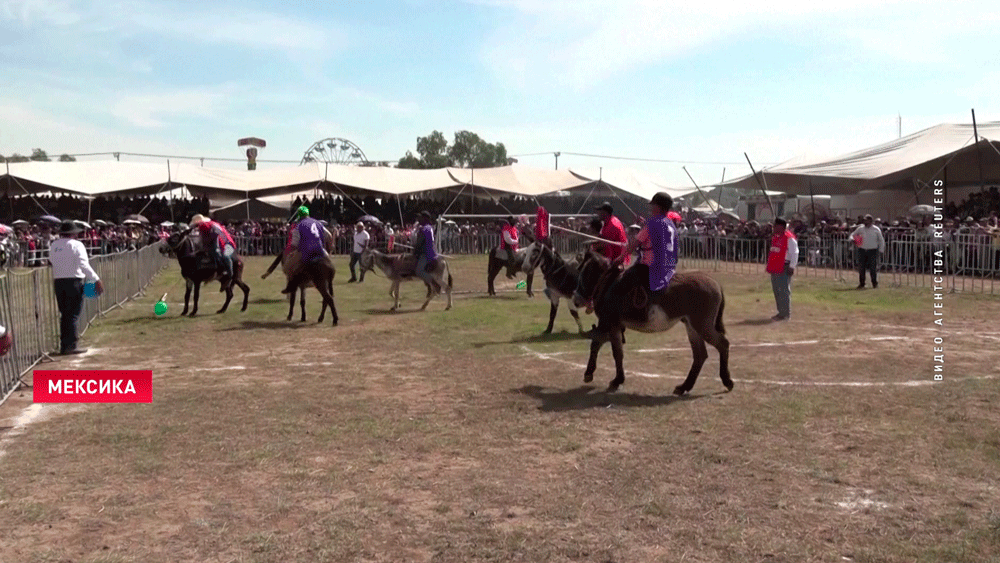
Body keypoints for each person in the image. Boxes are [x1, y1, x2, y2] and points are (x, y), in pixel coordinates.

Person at [616, 193, 679, 309]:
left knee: (621, 283)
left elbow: (633, 244)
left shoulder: (652, 224)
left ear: (658, 207)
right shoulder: (671, 224)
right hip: (670, 268)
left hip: (651, 267)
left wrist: (620, 258)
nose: (650, 208)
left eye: (653, 205)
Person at [49, 220, 103, 354]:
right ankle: (71, 345)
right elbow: (84, 264)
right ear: (74, 233)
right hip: (74, 281)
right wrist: (96, 279)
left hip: (59, 282)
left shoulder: (54, 245)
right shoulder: (77, 245)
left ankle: (64, 344)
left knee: (65, 314)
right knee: (73, 314)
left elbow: (51, 260)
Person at [281, 206, 333, 294]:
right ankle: (330, 287)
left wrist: (291, 254)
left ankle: (289, 286)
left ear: (299, 216)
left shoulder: (298, 226)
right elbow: (329, 235)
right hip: (320, 250)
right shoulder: (318, 223)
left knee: (288, 266)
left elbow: (294, 244)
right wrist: (328, 250)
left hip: (305, 251)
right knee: (329, 264)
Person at [189, 214, 236, 287]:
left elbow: (214, 236)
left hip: (223, 244)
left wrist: (209, 246)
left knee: (222, 256)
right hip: (214, 243)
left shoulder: (209, 226)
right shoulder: (205, 226)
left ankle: (228, 274)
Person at [766, 217, 798, 321]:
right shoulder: (776, 237)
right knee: (777, 290)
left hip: (784, 267)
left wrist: (792, 266)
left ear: (781, 226)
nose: (773, 227)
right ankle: (780, 312)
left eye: (775, 225)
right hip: (775, 267)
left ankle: (785, 314)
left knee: (783, 290)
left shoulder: (789, 238)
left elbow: (795, 253)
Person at [850, 214, 885, 289]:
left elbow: (881, 240)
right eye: (864, 220)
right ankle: (862, 283)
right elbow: (852, 234)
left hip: (873, 250)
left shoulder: (876, 229)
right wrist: (851, 239)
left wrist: (881, 250)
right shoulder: (861, 228)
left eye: (866, 220)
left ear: (870, 221)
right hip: (862, 250)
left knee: (873, 268)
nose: (865, 221)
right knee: (861, 268)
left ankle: (874, 283)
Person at [412, 211, 440, 293]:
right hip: (431, 251)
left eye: (421, 218)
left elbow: (420, 243)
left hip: (426, 254)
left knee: (419, 271)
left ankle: (434, 283)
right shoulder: (429, 227)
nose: (419, 219)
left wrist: (415, 250)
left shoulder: (424, 229)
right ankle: (429, 287)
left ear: (425, 219)